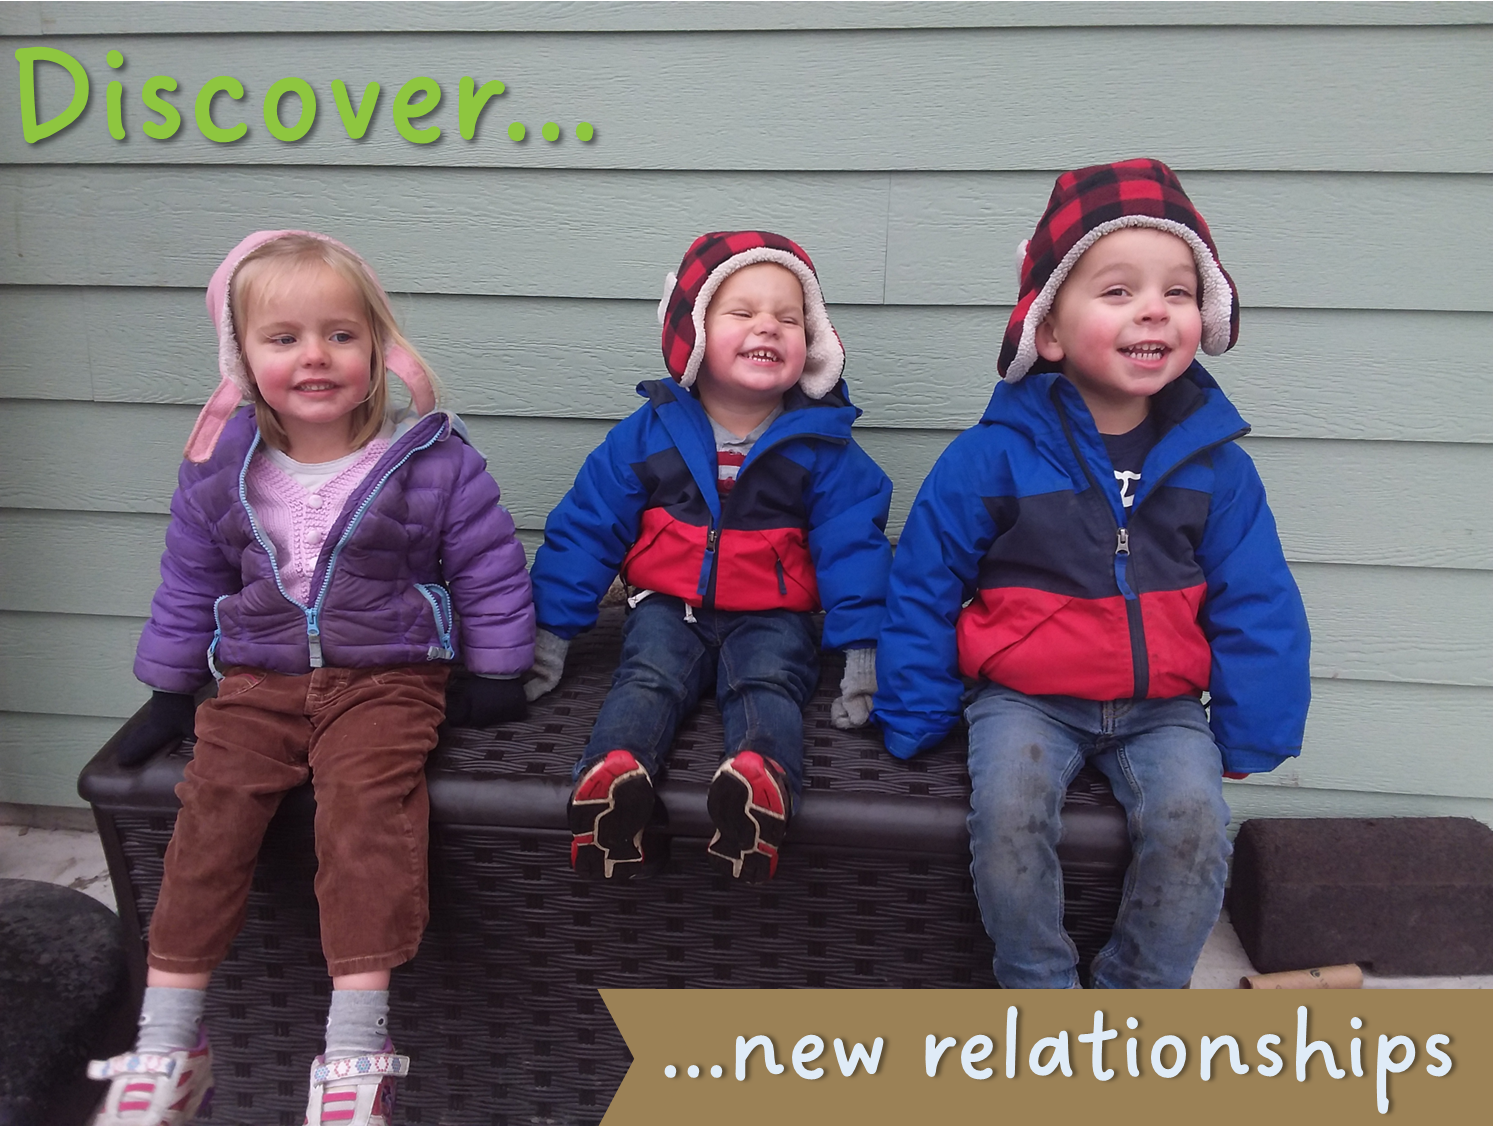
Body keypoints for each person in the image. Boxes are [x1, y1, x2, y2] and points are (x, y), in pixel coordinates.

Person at [86, 231, 534, 1125]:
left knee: (364, 811)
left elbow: (488, 567)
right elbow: (189, 583)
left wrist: (497, 668)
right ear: (242, 359)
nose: (314, 357)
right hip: (258, 680)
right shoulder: (221, 473)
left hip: (389, 678)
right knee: (208, 812)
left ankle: (355, 1049)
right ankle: (170, 1042)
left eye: (340, 334)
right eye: (282, 338)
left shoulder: (430, 461)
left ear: (378, 350)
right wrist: (172, 688)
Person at [873, 160, 1310, 988]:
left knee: (1193, 824)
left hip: (1163, 711)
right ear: (1048, 328)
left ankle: (1135, 1000)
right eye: (1116, 291)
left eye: (1176, 293)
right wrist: (916, 707)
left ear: (1202, 317)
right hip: (1024, 699)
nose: (1152, 307)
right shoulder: (990, 456)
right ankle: (1038, 986)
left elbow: (1257, 602)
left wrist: (1253, 727)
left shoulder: (1216, 469)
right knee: (1005, 815)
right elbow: (924, 581)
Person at [527, 230, 893, 882]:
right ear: (692, 333)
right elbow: (586, 528)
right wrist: (549, 632)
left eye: (788, 317)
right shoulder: (650, 434)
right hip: (666, 606)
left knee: (768, 685)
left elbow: (854, 550)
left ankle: (759, 785)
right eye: (742, 312)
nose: (768, 327)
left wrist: (862, 653)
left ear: (812, 345)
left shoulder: (820, 446)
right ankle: (614, 781)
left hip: (774, 614)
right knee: (646, 679)